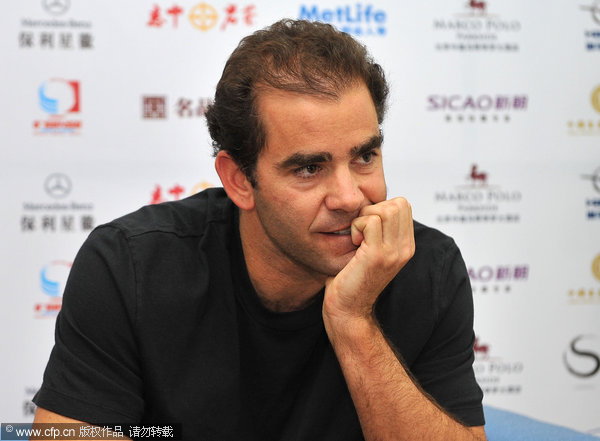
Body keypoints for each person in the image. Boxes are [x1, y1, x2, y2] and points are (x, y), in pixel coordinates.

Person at [33, 19, 486, 440]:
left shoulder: (424, 266)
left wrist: (352, 321)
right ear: (239, 181)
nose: (350, 197)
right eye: (309, 168)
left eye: (364, 157)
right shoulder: (130, 267)